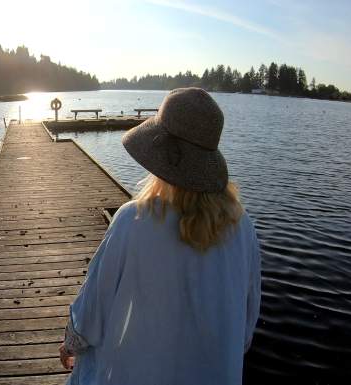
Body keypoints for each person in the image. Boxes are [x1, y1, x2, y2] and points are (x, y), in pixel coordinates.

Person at [59, 88, 261, 385]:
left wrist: (71, 343)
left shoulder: (133, 220)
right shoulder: (243, 228)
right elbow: (244, 328)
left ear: (161, 159)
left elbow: (92, 311)